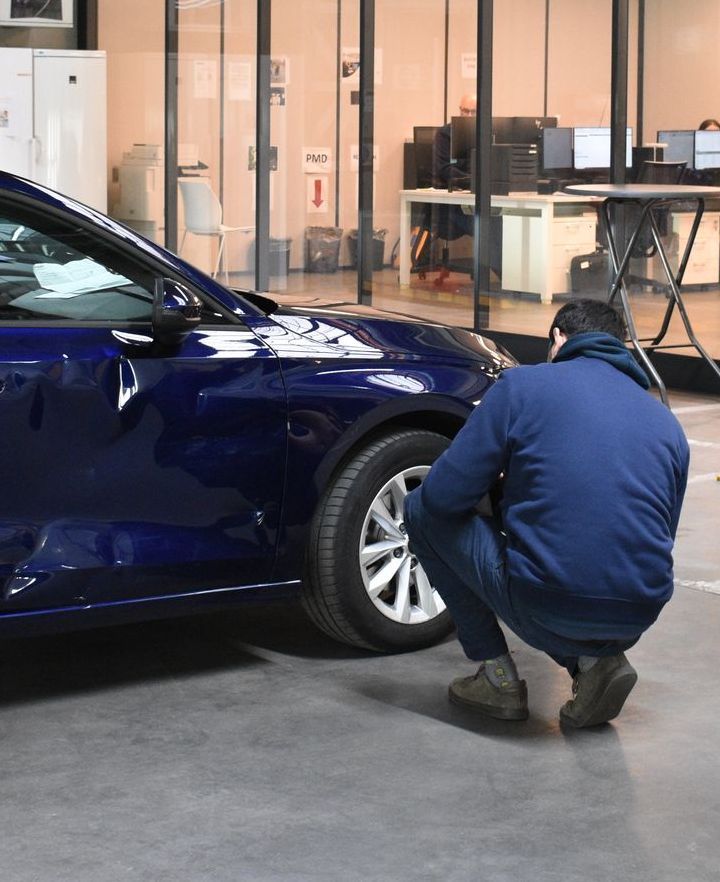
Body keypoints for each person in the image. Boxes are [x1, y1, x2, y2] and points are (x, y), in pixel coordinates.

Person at [404, 299, 690, 728]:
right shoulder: (666, 423)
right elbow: (657, 531)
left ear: (558, 338)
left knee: (421, 510)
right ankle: (595, 663)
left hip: (549, 605)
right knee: (577, 572)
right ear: (620, 346)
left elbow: (444, 497)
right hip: (637, 614)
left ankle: (496, 678)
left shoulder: (522, 387)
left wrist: (498, 492)